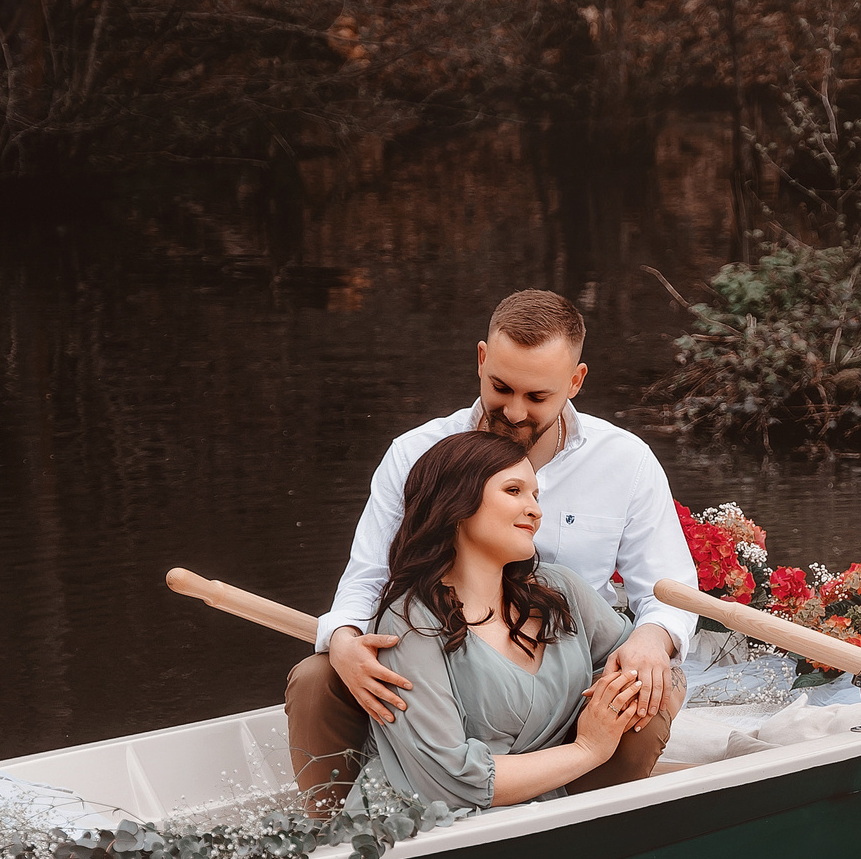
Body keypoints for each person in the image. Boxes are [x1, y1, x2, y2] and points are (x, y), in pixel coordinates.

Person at [288, 288, 697, 811]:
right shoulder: (417, 454)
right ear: (481, 359)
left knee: (648, 690)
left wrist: (650, 641)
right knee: (317, 676)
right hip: (445, 657)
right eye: (500, 387)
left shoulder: (625, 461)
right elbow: (368, 576)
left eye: (537, 397)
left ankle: (580, 826)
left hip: (563, 669)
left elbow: (669, 590)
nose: (513, 411)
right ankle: (328, 842)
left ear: (575, 382)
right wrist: (343, 638)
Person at [343, 429, 678, 816]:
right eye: (514, 491)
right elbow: (452, 781)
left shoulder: (561, 590)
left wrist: (638, 670)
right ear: (457, 502)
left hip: (555, 810)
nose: (536, 510)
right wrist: (588, 749)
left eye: (536, 495)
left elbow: (646, 667)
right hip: (425, 833)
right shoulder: (410, 624)